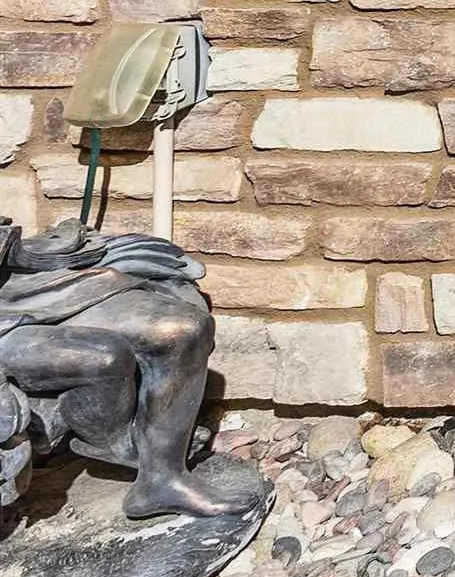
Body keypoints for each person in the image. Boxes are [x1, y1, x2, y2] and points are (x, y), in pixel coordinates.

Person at [0, 219, 263, 519]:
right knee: (104, 356)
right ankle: (123, 445)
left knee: (182, 329)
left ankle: (162, 480)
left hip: (14, 288)